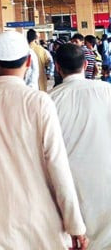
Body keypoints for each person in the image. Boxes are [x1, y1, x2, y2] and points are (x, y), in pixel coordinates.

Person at [0, 31, 87, 250]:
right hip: (40, 216)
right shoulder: (39, 101)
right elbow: (58, 166)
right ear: (28, 62)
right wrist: (75, 224)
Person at [51, 43, 111, 250]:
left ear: (58, 67)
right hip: (106, 178)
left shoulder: (49, 101)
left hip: (71, 187)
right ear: (85, 65)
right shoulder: (107, 91)